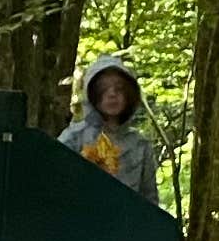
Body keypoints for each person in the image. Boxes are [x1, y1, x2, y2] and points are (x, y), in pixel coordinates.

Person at [58, 55, 161, 202]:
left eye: (119, 88)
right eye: (103, 89)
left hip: (125, 221)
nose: (112, 94)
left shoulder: (140, 146)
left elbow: (150, 200)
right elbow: (54, 179)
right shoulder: (74, 137)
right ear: (92, 94)